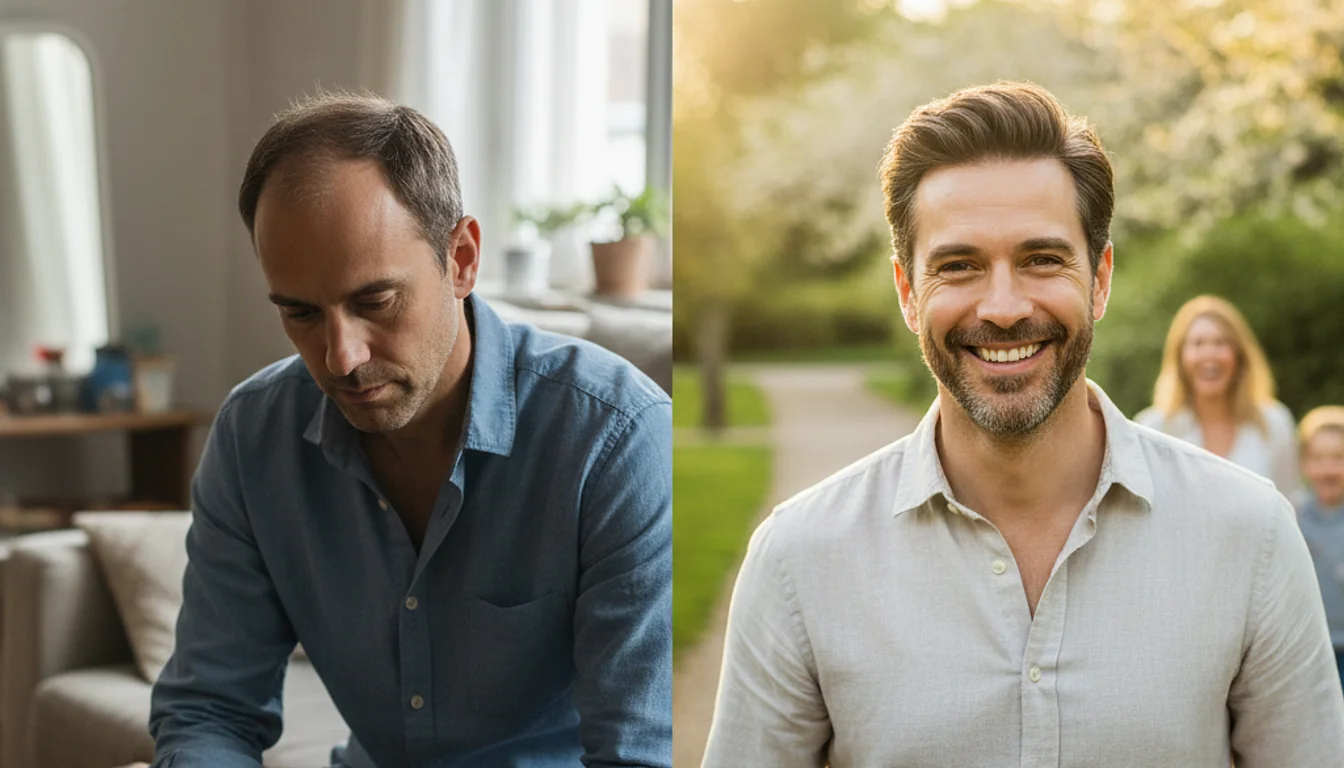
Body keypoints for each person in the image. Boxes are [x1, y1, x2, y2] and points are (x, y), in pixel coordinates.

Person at [701, 82, 1344, 767]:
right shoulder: (799, 560)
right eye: (959, 266)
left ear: (1099, 279)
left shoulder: (1251, 535)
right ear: (908, 293)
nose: (1004, 307)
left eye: (1042, 260)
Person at [146, 92, 672, 768]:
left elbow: (637, 753)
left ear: (462, 258)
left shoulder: (617, 441)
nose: (341, 357)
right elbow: (210, 710)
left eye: (375, 301)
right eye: (301, 314)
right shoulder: (255, 437)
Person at [1135, 295, 1300, 499]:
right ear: (1180, 357)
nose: (1209, 354)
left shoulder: (1274, 423)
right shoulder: (1153, 428)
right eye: (1198, 344)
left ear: (1239, 355)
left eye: (1220, 343)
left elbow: (1288, 504)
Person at [1296, 405, 1344, 694]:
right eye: (1318, 458)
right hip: (1313, 648)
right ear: (1304, 463)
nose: (1327, 469)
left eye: (1338, 458)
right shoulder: (1295, 517)